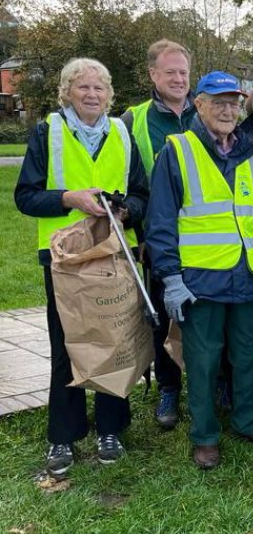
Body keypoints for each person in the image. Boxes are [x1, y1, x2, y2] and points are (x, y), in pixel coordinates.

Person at [15, 58, 149, 474]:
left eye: (99, 88)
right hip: (64, 259)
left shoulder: (123, 133)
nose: (92, 95)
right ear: (67, 92)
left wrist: (125, 209)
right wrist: (69, 198)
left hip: (112, 253)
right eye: (83, 88)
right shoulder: (47, 133)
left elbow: (142, 196)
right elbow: (25, 196)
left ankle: (111, 427)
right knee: (67, 345)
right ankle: (64, 436)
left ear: (110, 94)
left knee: (115, 338)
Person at [145, 71, 253, 470]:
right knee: (204, 360)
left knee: (250, 354)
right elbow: (161, 221)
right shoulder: (178, 150)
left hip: (247, 274)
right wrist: (171, 279)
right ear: (199, 104)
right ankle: (205, 435)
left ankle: (248, 421)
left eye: (234, 103)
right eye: (218, 101)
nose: (227, 109)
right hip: (199, 279)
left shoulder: (252, 153)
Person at [122, 39, 197, 430]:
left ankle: (213, 380)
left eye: (184, 72)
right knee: (162, 315)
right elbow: (128, 182)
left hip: (203, 236)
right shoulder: (133, 121)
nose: (179, 79)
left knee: (204, 313)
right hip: (157, 239)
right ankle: (169, 387)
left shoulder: (203, 113)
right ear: (153, 74)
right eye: (171, 72)